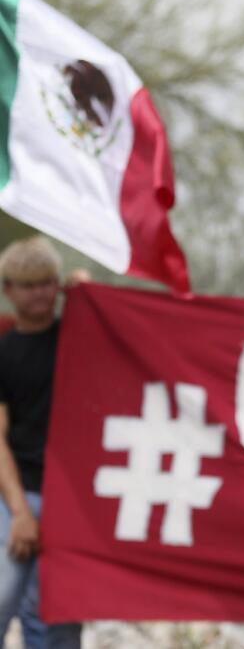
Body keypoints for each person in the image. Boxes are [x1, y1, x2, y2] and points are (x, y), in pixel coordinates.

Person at [0, 236, 84, 648]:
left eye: (48, 282)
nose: (40, 293)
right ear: (8, 290)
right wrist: (19, 511)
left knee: (58, 615)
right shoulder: (3, 351)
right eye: (29, 284)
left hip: (77, 500)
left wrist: (89, 295)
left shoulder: (82, 338)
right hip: (20, 494)